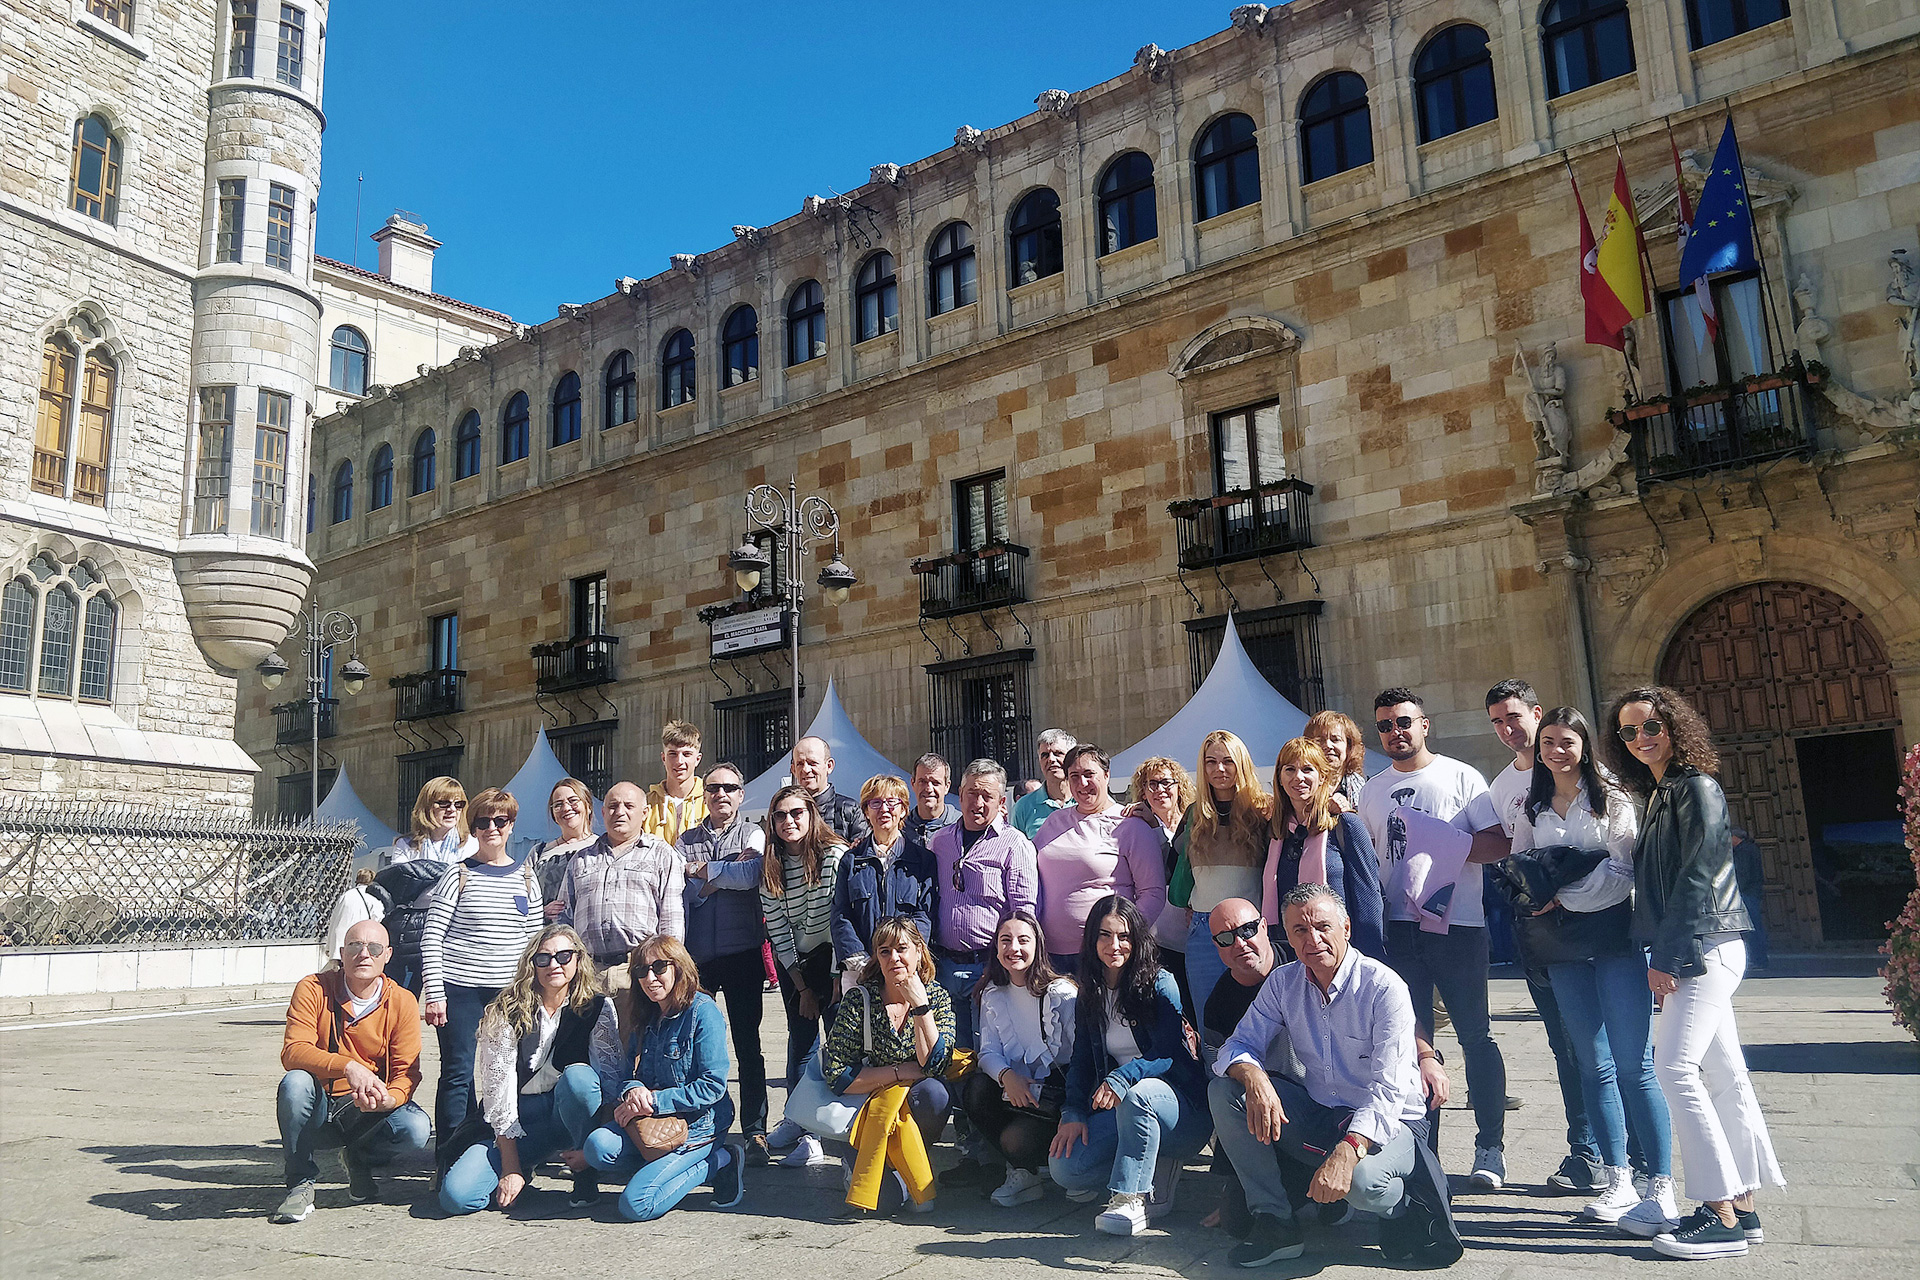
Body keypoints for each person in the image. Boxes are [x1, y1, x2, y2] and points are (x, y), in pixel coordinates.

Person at [1606, 687, 1784, 1260]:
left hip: (1700, 945)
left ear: (1675, 727)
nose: (1640, 739)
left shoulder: (1695, 787)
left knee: (1674, 1069)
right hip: (1703, 944)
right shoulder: (1662, 793)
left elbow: (1700, 872)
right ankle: (1745, 1209)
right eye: (1630, 732)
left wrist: (1664, 955)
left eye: (1651, 727)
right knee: (1725, 1073)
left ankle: (1719, 1213)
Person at [1211, 884, 1461, 1269]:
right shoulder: (1283, 982)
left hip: (1392, 1122)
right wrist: (1254, 1077)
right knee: (1226, 1089)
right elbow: (1238, 1044)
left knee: (1363, 1184)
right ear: (1288, 937)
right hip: (1321, 1110)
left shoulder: (1384, 987)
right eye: (1299, 931)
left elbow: (1388, 1091)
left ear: (1346, 927)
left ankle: (1400, 1210)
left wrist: (1348, 1150)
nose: (1312, 940)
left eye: (1322, 927)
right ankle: (1275, 1222)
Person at [1515, 707, 1676, 1232]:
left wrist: (1562, 894)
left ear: (1584, 744)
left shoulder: (1613, 798)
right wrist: (1540, 893)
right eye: (1547, 743)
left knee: (1635, 1064)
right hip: (1562, 947)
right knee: (1592, 1063)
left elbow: (1623, 871)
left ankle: (1661, 1183)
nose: (1555, 751)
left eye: (1566, 741)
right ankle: (1617, 1177)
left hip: (1613, 939)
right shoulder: (1533, 806)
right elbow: (1519, 864)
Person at [1357, 687, 1510, 1190]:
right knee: (1412, 1041)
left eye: (1404, 722)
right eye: (1385, 726)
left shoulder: (1461, 776)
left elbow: (1499, 844)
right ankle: (1428, 1150)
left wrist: (1447, 847)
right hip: (1399, 928)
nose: (1395, 732)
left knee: (1475, 1035)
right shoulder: (1372, 790)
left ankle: (1490, 1148)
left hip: (1459, 926)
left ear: (1425, 724)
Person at [1483, 679, 1607, 1196]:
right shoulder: (1500, 788)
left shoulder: (1594, 781)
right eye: (1497, 721)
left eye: (1515, 717)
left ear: (1538, 712)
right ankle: (1587, 1150)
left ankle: (1618, 1153)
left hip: (1596, 929)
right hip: (1538, 931)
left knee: (1602, 1047)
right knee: (1563, 1045)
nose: (1509, 729)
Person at [1048, 895, 1209, 1237]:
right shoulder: (1089, 992)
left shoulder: (1160, 983)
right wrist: (1073, 1111)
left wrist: (1123, 1076)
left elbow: (1167, 1052)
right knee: (1066, 1168)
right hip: (1123, 1109)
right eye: (1104, 935)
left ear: (1137, 940)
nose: (1114, 945)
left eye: (1124, 936)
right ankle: (1150, 1165)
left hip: (1179, 1109)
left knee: (1139, 1095)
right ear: (1092, 940)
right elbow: (1080, 1060)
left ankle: (1128, 1197)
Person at [439, 925, 611, 1214]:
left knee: (579, 1079)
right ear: (531, 964)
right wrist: (511, 1168)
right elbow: (498, 1093)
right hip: (521, 1119)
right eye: (543, 958)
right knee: (457, 1197)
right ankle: (524, 1166)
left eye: (564, 956)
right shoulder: (505, 1010)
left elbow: (610, 1079)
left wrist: (593, 1149)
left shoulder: (598, 1007)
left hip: (568, 1114)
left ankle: (585, 1175)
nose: (554, 965)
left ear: (579, 959)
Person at [272, 919, 431, 1224]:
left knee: (416, 1128)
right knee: (295, 1083)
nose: (364, 955)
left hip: (363, 1109)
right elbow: (293, 1051)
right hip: (317, 1104)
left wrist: (391, 1099)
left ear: (388, 955)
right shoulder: (313, 988)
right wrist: (348, 1067)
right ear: (342, 953)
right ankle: (300, 1184)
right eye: (356, 946)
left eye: (374, 948)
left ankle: (359, 1159)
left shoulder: (402, 1001)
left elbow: (406, 1073)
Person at [420, 787, 544, 1174]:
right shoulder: (457, 875)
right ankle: (449, 1158)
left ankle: (497, 1147)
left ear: (511, 826)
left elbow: (534, 942)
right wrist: (435, 993)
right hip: (459, 989)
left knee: (509, 1072)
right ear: (472, 828)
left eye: (500, 821)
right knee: (457, 1073)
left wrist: (536, 996)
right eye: (482, 822)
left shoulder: (526, 878)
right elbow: (432, 935)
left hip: (509, 994)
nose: (491, 828)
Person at [582, 934, 745, 1220]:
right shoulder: (645, 1014)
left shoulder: (702, 1012)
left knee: (637, 1204)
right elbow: (628, 1074)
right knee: (597, 1147)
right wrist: (633, 1092)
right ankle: (658, 1169)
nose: (650, 977)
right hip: (653, 1125)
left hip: (699, 1126)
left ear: (678, 968)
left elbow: (713, 1085)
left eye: (659, 967)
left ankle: (722, 1160)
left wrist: (654, 1101)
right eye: (641, 971)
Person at [820, 916, 956, 1213]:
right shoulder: (860, 999)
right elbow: (837, 1075)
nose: (894, 958)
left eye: (902, 949)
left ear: (919, 951)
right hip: (864, 1108)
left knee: (935, 1093)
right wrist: (899, 1072)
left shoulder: (937, 997)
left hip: (912, 1105)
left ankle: (911, 1163)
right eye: (884, 951)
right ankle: (872, 1168)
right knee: (882, 1204)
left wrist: (921, 1007)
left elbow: (935, 1065)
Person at [675, 762, 771, 1163]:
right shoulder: (684, 839)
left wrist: (705, 873)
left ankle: (755, 1130)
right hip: (698, 958)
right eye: (713, 787)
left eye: (730, 787)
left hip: (743, 951)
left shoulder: (753, 833)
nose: (721, 794)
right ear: (704, 793)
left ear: (741, 794)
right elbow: (680, 887)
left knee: (749, 1046)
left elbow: (751, 874)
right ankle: (702, 1124)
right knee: (696, 1047)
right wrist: (720, 876)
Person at [759, 785, 849, 1168]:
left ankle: (836, 1125)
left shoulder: (834, 855)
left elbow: (834, 920)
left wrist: (828, 980)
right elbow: (778, 930)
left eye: (796, 813)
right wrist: (800, 986)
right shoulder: (771, 865)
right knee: (801, 1041)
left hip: (833, 955)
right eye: (780, 815)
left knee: (841, 1044)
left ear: (811, 815)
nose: (789, 821)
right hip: (795, 960)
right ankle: (801, 1122)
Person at [964, 911, 1077, 1207]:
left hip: (1059, 1096)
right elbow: (988, 1051)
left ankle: (1067, 1165)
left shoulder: (1061, 994)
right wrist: (1006, 1077)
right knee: (975, 1088)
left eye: (1023, 940)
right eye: (1005, 940)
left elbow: (1081, 1058)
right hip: (1018, 1092)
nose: (1013, 948)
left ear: (1038, 945)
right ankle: (1023, 1174)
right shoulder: (992, 993)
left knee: (1015, 1140)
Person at [927, 758, 1039, 1049]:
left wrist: (998, 968)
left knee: (989, 1051)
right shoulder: (940, 842)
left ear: (1001, 801)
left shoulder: (1015, 845)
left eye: (987, 796)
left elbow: (1024, 912)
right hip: (945, 966)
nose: (978, 802)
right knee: (950, 1051)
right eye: (972, 794)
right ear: (960, 795)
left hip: (990, 969)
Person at [1169, 730, 1272, 1024]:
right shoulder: (1194, 814)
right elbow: (1172, 862)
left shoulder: (1263, 809)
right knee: (1210, 1020)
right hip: (1204, 930)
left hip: (1252, 931)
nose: (1219, 769)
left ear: (1241, 763)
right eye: (1211, 762)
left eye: (1228, 761)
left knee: (1259, 1018)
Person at [1036, 745, 1165, 976]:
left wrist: (1122, 938)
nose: (1082, 783)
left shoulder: (1130, 825)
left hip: (1105, 958)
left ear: (1106, 775)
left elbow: (1152, 893)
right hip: (1050, 956)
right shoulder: (1053, 822)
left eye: (1089, 774)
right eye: (1074, 776)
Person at [1265, 738, 1385, 962]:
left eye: (1307, 769)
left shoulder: (1345, 825)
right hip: (1290, 952)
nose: (1298, 777)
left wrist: (1370, 959)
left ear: (1322, 777)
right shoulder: (1275, 833)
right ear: (1280, 778)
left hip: (1340, 952)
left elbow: (1369, 898)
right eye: (1290, 769)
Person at [558, 781, 686, 973]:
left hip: (641, 971)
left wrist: (665, 968)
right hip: (589, 973)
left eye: (629, 806)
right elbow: (565, 919)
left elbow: (671, 920)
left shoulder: (662, 855)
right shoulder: (580, 859)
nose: (619, 812)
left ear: (644, 813)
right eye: (613, 806)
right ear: (603, 812)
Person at [829, 775, 938, 991]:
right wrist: (861, 961)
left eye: (892, 802)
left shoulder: (923, 860)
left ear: (904, 810)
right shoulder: (851, 861)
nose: (884, 809)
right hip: (861, 970)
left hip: (907, 967)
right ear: (866, 812)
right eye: (875, 803)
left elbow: (925, 913)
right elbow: (841, 914)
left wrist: (906, 955)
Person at [377, 776, 475, 994]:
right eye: (444, 803)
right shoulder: (406, 844)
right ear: (427, 806)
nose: (452, 810)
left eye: (458, 804)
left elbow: (467, 890)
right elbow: (401, 887)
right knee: (403, 997)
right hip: (413, 929)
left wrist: (423, 872)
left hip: (453, 928)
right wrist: (447, 874)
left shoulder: (470, 844)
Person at [1125, 757, 1197, 1020]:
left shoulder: (1194, 819)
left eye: (1166, 782)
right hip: (1159, 937)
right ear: (1142, 791)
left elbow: (1176, 866)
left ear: (1179, 785)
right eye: (1151, 784)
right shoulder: (1137, 825)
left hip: (1193, 930)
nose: (1159, 789)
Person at [534, 778, 598, 914]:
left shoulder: (602, 848)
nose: (566, 808)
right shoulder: (539, 852)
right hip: (549, 932)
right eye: (558, 805)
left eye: (573, 800)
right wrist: (541, 911)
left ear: (588, 806)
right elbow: (523, 898)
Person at [791, 735, 870, 844]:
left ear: (829, 766)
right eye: (800, 764)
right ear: (793, 769)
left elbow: (861, 855)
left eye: (812, 763)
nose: (806, 769)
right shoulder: (786, 812)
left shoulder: (849, 810)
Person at [644, 719, 708, 845]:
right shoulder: (646, 804)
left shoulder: (710, 801)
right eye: (672, 754)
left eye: (687, 754)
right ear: (663, 758)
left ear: (698, 759)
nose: (679, 761)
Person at [1011, 728, 1077, 838]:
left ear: (1072, 758)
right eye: (1045, 755)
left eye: (1058, 753)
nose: (1051, 759)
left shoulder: (1088, 800)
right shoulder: (1023, 807)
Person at [1303, 710, 1368, 811]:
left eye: (1335, 740)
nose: (1328, 745)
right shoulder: (1299, 786)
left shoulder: (1366, 790)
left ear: (1349, 747)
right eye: (1319, 740)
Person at [321, 868, 384, 969]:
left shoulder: (345, 896)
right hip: (358, 943)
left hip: (340, 943)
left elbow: (334, 919)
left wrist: (329, 946)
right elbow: (377, 921)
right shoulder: (373, 898)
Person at [1730, 827, 1769, 971]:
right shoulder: (1750, 849)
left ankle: (1758, 960)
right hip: (1752, 892)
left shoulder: (1743, 851)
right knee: (1753, 927)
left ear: (1735, 837)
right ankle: (1758, 959)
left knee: (1752, 928)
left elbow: (1743, 873)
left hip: (1747, 894)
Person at [905, 752, 962, 846]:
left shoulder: (961, 825)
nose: (928, 789)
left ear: (947, 787)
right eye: (922, 781)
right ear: (912, 784)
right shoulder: (900, 829)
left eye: (935, 783)